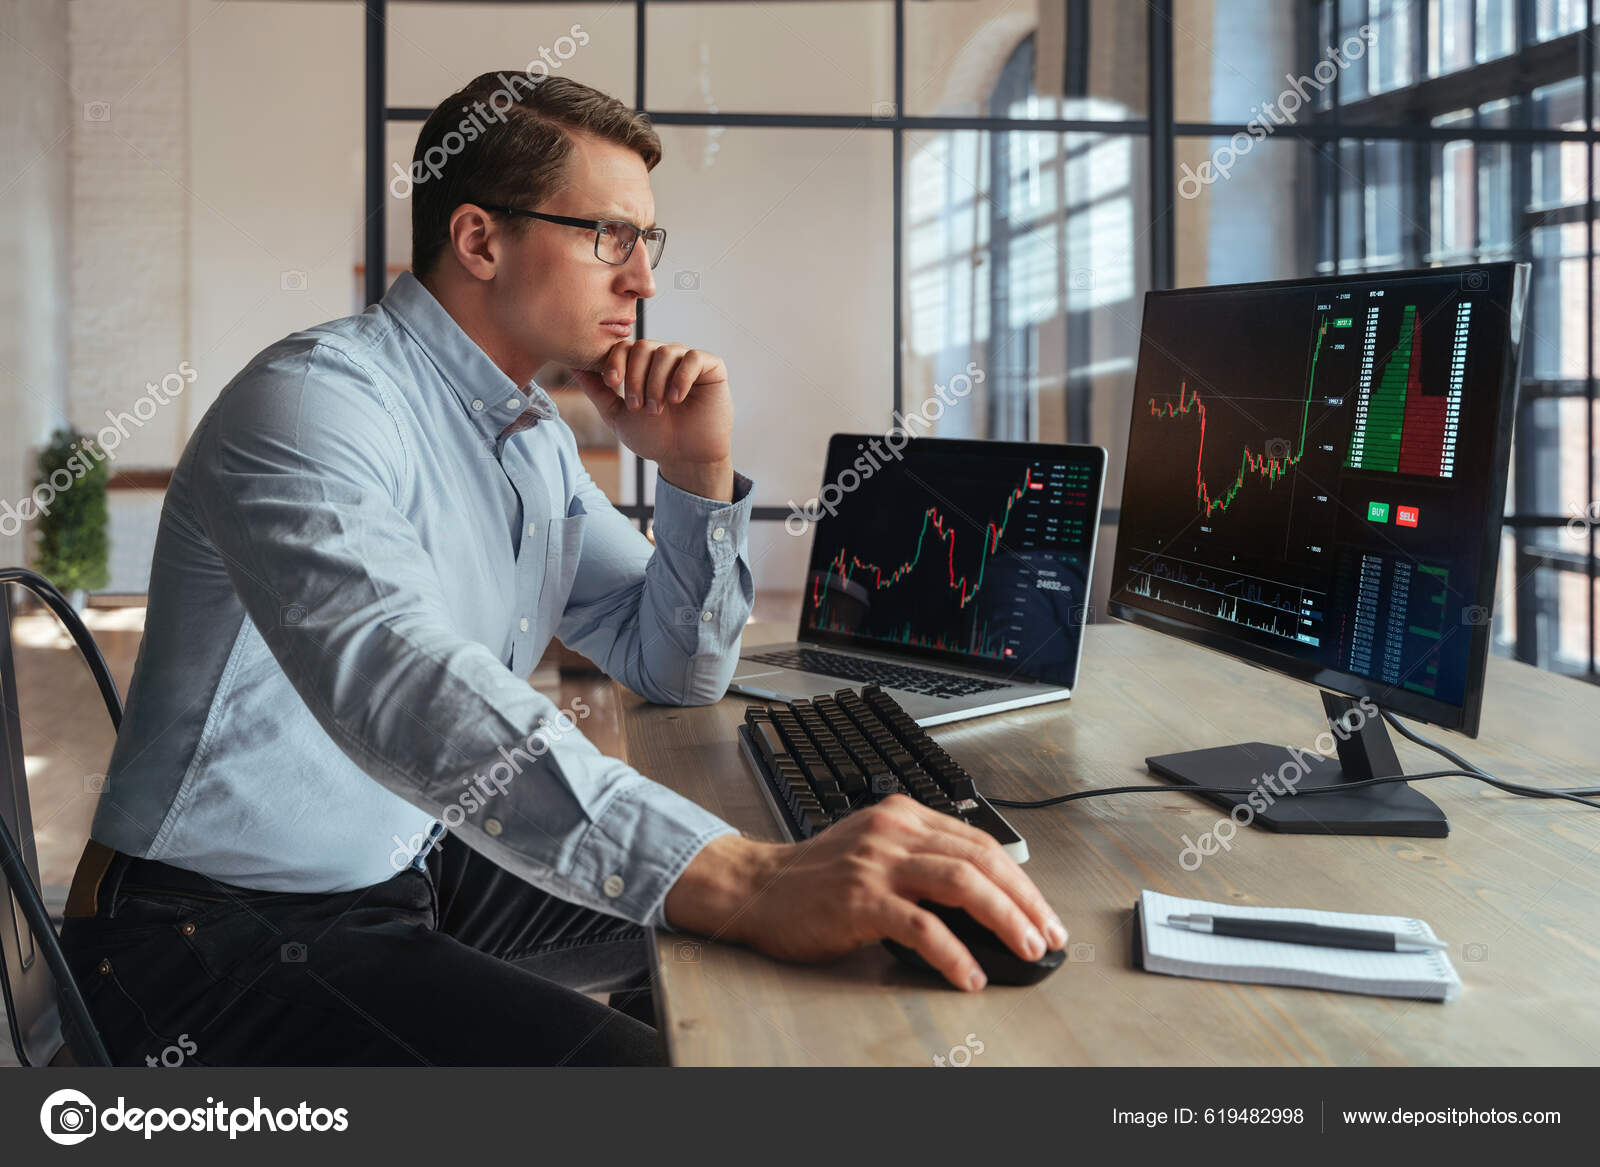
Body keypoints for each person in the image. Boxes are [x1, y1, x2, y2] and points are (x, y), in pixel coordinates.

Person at [58, 72, 1065, 1067]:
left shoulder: (528, 435)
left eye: (646, 242)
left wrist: (696, 472)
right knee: (668, 1036)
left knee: (827, 934)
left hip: (412, 861)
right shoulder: (314, 405)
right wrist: (745, 881)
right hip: (201, 942)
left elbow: (674, 666)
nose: (644, 279)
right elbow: (402, 686)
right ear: (480, 240)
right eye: (608, 237)